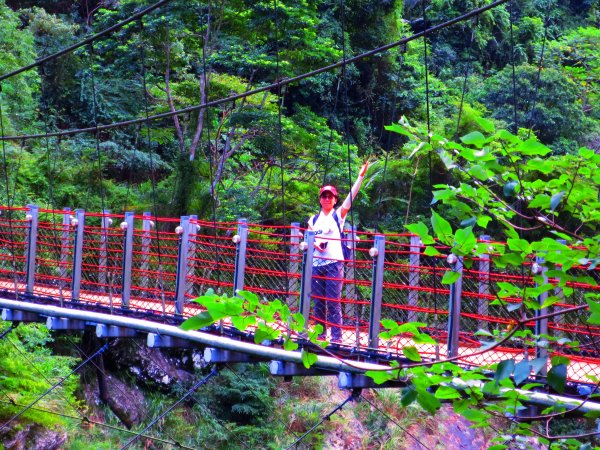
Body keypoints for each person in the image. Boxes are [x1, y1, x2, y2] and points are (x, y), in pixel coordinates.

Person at [307, 161, 369, 343]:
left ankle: (336, 338)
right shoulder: (313, 220)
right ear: (320, 199)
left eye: (330, 196)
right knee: (318, 302)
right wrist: (315, 245)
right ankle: (320, 334)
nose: (326, 199)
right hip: (317, 264)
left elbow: (351, 197)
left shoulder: (338, 216)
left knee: (333, 301)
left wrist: (360, 176)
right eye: (323, 196)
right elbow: (308, 239)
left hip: (334, 263)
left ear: (335, 199)